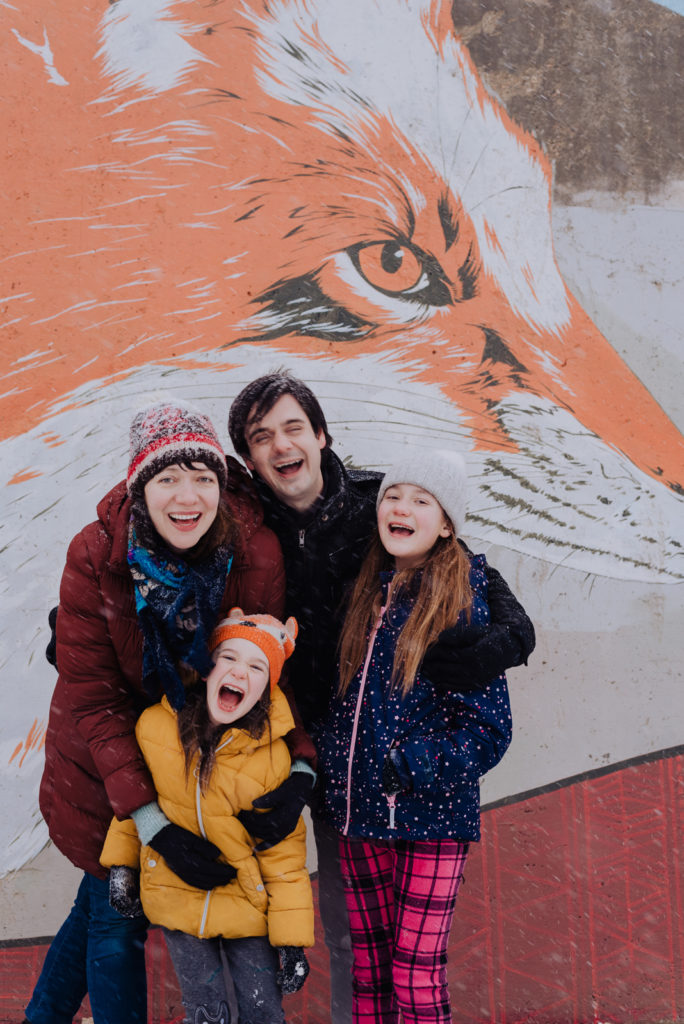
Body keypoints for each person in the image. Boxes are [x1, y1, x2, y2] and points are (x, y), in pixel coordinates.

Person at [227, 371, 535, 1023]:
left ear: (320, 435)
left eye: (292, 427)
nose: (281, 445)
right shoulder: (246, 534)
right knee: (358, 952)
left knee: (403, 966)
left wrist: (509, 634)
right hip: (311, 768)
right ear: (249, 459)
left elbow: (462, 566)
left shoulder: (377, 508)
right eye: (261, 437)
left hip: (393, 791)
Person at [25, 399, 285, 1024]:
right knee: (116, 917)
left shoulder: (253, 553)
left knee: (97, 904)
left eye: (201, 477)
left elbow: (265, 669)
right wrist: (149, 821)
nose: (186, 496)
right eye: (167, 478)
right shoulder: (96, 554)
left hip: (199, 765)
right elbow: (94, 697)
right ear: (142, 488)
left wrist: (295, 768)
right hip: (102, 763)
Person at [318, 450, 513, 1023]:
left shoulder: (464, 605)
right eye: (394, 497)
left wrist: (413, 765)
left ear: (446, 523)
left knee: (415, 970)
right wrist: (336, 769)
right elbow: (342, 707)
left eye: (421, 500)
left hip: (432, 818)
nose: (402, 508)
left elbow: (488, 730)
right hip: (360, 817)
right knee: (370, 970)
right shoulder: (365, 596)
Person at [101, 608, 314, 1024]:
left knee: (262, 1011)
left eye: (256, 666)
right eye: (228, 657)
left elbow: (284, 859)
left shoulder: (272, 759)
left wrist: (291, 941)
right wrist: (121, 867)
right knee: (205, 1012)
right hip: (177, 898)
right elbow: (134, 805)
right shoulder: (156, 727)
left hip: (248, 909)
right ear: (206, 668)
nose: (239, 671)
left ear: (266, 689)